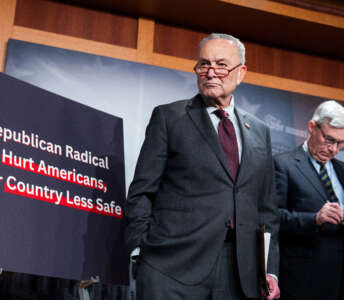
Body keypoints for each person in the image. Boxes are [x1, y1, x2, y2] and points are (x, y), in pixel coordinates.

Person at [125, 33, 280, 300]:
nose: (211, 72)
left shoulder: (260, 131)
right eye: (203, 64)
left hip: (241, 272)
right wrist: (142, 249)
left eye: (221, 64)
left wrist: (268, 268)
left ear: (241, 72)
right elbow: (142, 191)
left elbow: (266, 208)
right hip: (171, 266)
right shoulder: (169, 117)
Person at [275, 100, 344, 300]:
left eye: (341, 144)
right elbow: (273, 218)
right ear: (312, 127)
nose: (333, 150)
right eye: (329, 139)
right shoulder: (283, 165)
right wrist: (315, 219)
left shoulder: (342, 170)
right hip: (303, 278)